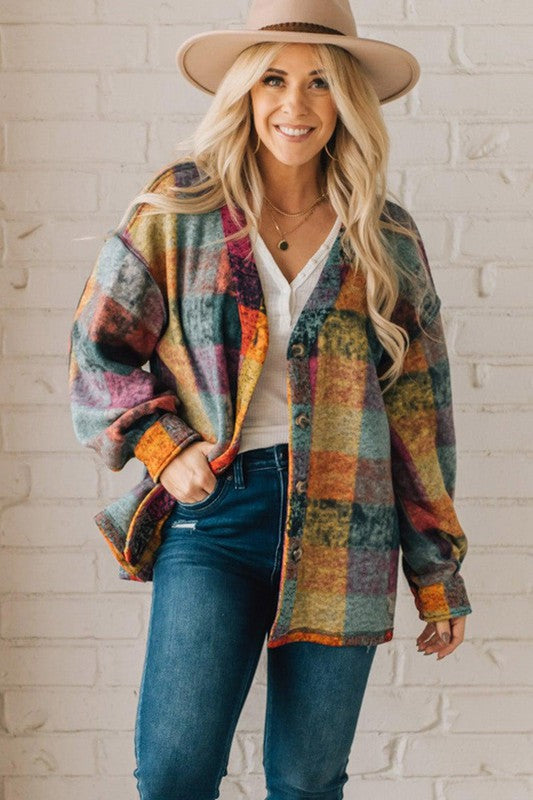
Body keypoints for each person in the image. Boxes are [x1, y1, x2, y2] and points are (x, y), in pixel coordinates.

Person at [67, 1, 473, 798]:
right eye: (274, 80)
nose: (296, 105)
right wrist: (163, 446)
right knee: (174, 772)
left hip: (349, 525)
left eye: (320, 82)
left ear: (347, 99)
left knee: (307, 780)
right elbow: (98, 348)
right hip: (215, 516)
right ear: (245, 93)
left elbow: (418, 416)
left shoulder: (385, 237)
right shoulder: (181, 210)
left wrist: (437, 574)